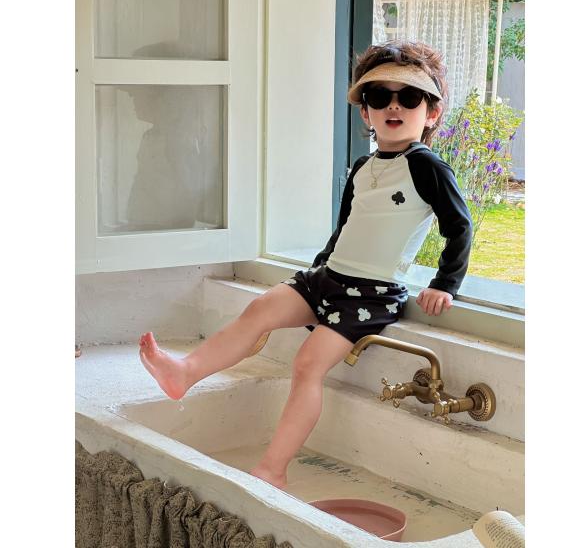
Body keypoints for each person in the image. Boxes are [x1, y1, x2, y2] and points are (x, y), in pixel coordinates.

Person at [139, 39, 472, 491]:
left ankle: (272, 469)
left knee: (307, 364)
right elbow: (345, 228)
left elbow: (460, 226)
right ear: (366, 112)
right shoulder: (363, 166)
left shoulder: (427, 167)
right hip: (328, 278)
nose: (394, 106)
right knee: (260, 309)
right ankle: (185, 372)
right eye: (380, 96)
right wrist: (316, 273)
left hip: (371, 294)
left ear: (431, 113)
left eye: (409, 97)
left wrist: (445, 283)